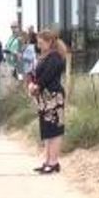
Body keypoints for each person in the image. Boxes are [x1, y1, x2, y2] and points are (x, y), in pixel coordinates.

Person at [29, 31, 67, 174]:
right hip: (45, 98)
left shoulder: (55, 57)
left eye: (41, 43)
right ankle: (48, 160)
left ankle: (54, 162)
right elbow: (37, 75)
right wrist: (32, 84)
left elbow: (47, 76)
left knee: (55, 130)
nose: (39, 45)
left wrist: (36, 85)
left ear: (49, 41)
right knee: (46, 129)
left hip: (53, 96)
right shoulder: (44, 56)